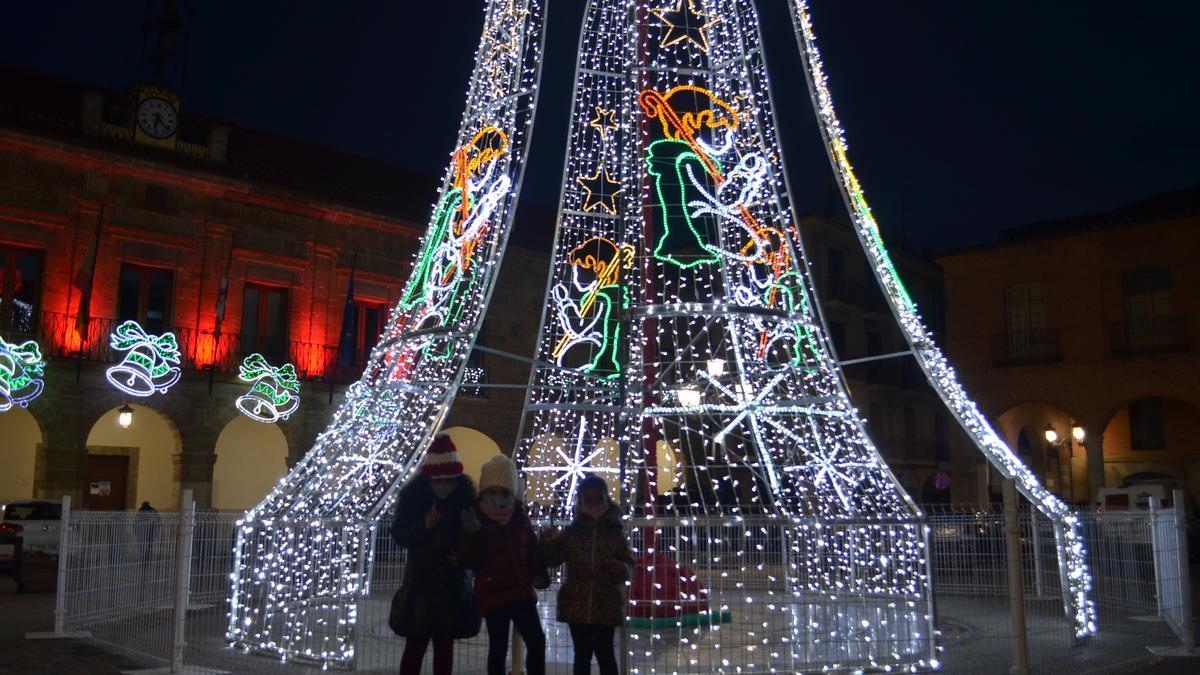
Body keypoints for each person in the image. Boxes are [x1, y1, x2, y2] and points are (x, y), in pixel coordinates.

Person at [390, 433, 480, 675]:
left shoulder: (465, 504)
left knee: (444, 647)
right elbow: (400, 535)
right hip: (421, 588)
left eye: (449, 481)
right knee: (415, 646)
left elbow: (476, 548)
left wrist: (470, 538)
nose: (443, 486)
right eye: (438, 481)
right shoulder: (414, 502)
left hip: (452, 588)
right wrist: (425, 527)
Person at [458, 454, 547, 675]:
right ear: (484, 492)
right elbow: (471, 560)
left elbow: (532, 549)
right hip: (493, 593)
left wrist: (539, 574)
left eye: (504, 492)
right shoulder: (475, 518)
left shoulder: (519, 516)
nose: (498, 497)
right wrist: (473, 535)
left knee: (536, 640)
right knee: (498, 647)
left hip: (520, 592)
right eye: (492, 491)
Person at [542, 475, 633, 675]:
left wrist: (622, 569)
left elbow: (628, 562)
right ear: (580, 502)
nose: (593, 505)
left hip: (606, 601)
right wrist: (548, 543)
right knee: (581, 653)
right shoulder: (572, 532)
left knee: (605, 652)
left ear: (606, 499)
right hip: (576, 602)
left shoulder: (614, 531)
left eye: (598, 500)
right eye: (588, 500)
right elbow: (553, 559)